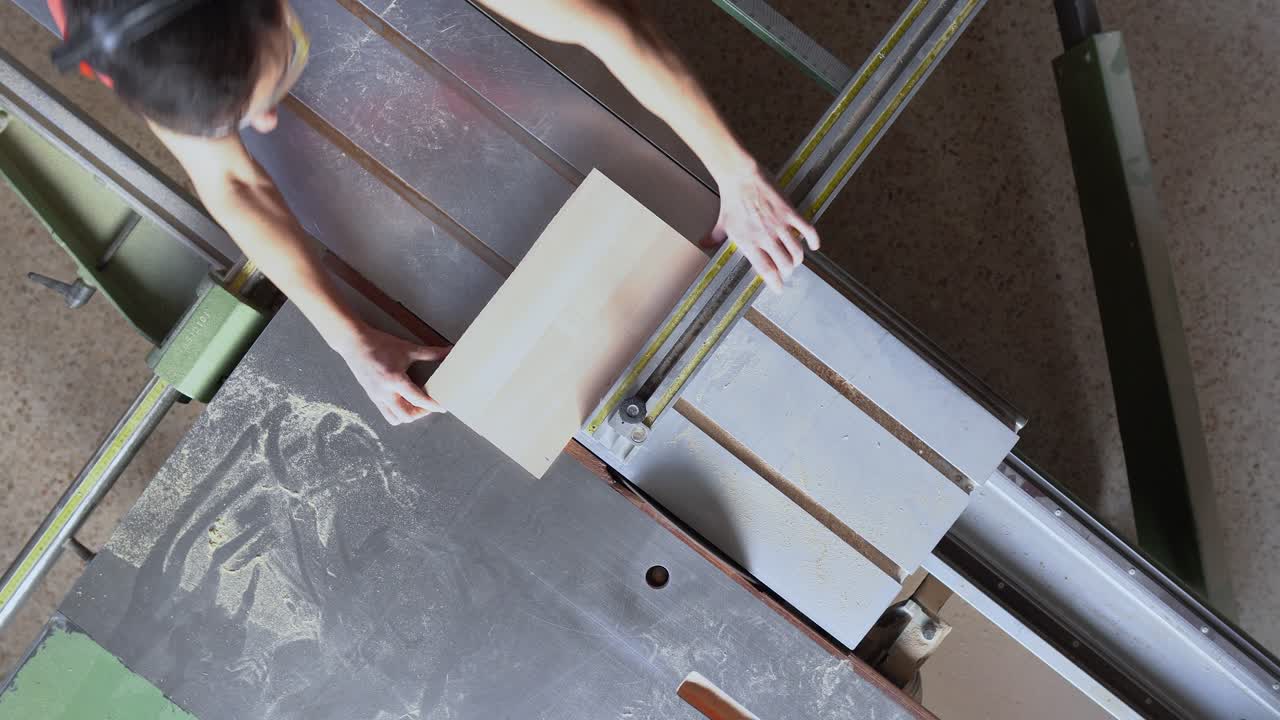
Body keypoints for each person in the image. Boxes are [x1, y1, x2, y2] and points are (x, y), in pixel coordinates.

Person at [52, 0, 820, 425]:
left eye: (267, 85)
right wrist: (347, 338)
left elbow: (600, 20)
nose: (268, 127)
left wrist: (736, 172)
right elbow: (234, 185)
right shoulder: (124, 33)